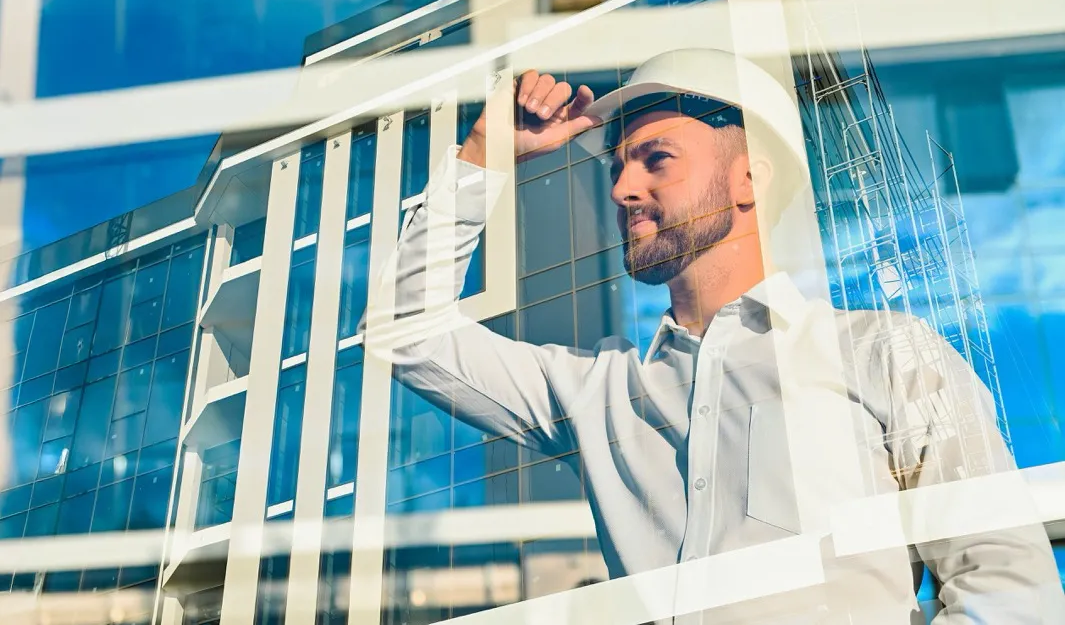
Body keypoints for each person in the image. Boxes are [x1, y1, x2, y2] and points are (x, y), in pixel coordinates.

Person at [365, 48, 1065, 623]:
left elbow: (1007, 582)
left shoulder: (881, 350)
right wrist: (485, 152)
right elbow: (405, 334)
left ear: (746, 180)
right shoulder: (602, 390)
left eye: (654, 159)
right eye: (616, 167)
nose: (621, 189)